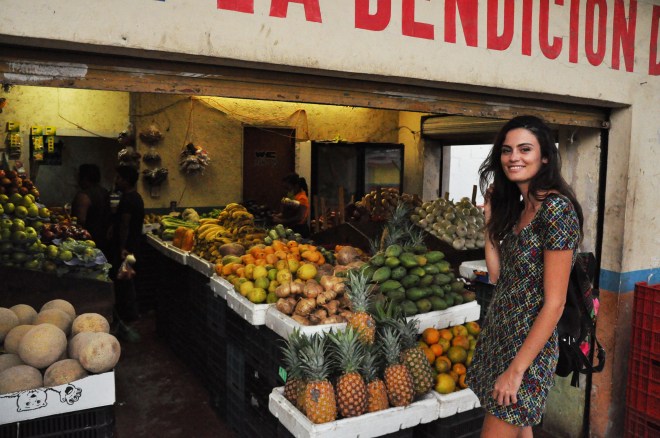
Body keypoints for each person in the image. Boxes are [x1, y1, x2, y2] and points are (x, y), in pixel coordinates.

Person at [465, 115, 583, 437]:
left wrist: (516, 372)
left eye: (524, 149)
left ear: (545, 156)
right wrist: (490, 221)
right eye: (507, 150)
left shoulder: (556, 210)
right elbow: (498, 276)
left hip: (526, 351)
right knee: (521, 431)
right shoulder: (522, 209)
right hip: (502, 339)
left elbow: (555, 304)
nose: (513, 157)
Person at [109, 165, 145, 341]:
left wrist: (122, 247)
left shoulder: (129, 200)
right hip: (132, 248)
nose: (116, 181)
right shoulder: (135, 197)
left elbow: (125, 225)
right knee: (126, 280)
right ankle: (128, 319)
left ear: (125, 180)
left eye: (118, 178)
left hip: (127, 250)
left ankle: (129, 321)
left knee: (125, 281)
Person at [71, 164, 111, 254]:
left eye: (78, 176)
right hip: (103, 239)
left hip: (88, 242)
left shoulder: (83, 195)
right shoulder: (104, 192)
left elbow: (80, 221)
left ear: (84, 178)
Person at [272, 173, 310, 237]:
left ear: (296, 186)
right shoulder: (294, 197)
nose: (286, 191)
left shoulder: (302, 198)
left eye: (287, 188)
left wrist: (282, 221)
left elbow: (299, 218)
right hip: (292, 229)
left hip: (299, 231)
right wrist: (278, 215)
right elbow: (290, 213)